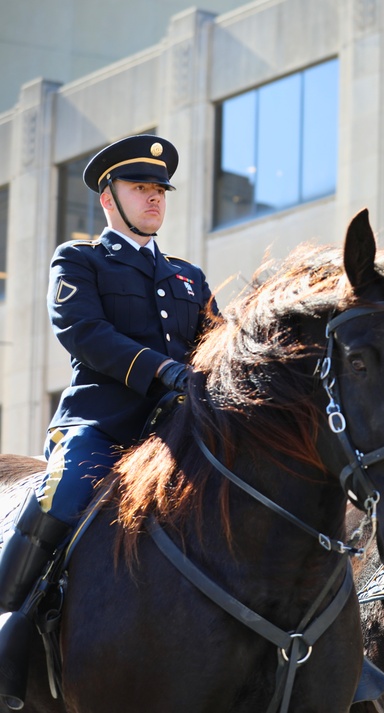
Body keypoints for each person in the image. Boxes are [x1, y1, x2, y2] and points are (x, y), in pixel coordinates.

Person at [0, 135, 216, 623]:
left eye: (161, 189)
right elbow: (85, 333)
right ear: (108, 198)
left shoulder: (188, 276)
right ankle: (10, 623)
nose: (155, 196)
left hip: (181, 429)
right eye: (140, 187)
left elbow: (215, 344)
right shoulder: (80, 259)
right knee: (66, 491)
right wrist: (163, 369)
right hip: (104, 424)